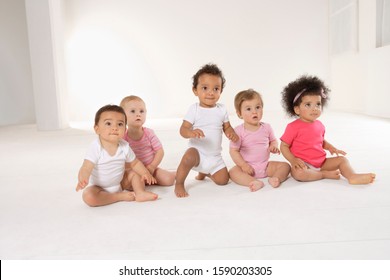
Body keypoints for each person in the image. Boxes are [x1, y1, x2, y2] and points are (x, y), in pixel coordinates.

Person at [280, 75, 376, 184]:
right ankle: (323, 174)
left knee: (342, 160)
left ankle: (352, 176)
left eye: (318, 104)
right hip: (303, 164)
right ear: (297, 109)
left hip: (321, 162)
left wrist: (330, 147)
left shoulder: (319, 125)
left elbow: (320, 141)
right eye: (308, 104)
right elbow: (284, 146)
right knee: (299, 174)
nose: (315, 108)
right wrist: (293, 160)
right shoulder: (293, 127)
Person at [175, 63, 239, 197]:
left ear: (221, 91)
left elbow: (227, 127)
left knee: (223, 180)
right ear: (195, 90)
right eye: (205, 88)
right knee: (187, 157)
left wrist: (231, 133)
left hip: (214, 157)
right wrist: (191, 133)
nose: (211, 92)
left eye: (216, 88)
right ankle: (179, 183)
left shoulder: (221, 109)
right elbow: (183, 129)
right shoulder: (195, 109)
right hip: (197, 154)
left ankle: (205, 172)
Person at [76, 104, 158, 207]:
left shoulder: (124, 146)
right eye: (108, 123)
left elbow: (135, 163)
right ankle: (118, 197)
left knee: (134, 173)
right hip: (99, 187)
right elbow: (86, 167)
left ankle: (140, 193)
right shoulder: (96, 147)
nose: (115, 128)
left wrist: (145, 173)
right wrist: (83, 178)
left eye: (120, 124)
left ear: (125, 129)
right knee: (88, 196)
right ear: (97, 129)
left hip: (120, 183)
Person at [229, 89, 290, 191]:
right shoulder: (238, 131)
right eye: (248, 109)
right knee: (232, 172)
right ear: (239, 114)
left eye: (258, 107)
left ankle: (276, 178)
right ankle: (252, 182)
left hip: (265, 166)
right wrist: (243, 165)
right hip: (247, 168)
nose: (254, 111)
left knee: (286, 166)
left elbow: (273, 140)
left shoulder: (267, 127)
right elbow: (233, 151)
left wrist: (273, 146)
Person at [120, 95, 176, 186]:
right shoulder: (123, 137)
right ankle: (144, 182)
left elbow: (160, 151)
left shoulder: (149, 133)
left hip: (151, 168)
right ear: (122, 116)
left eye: (141, 111)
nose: (138, 114)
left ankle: (173, 174)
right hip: (135, 171)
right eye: (133, 111)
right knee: (129, 185)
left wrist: (152, 166)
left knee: (169, 180)